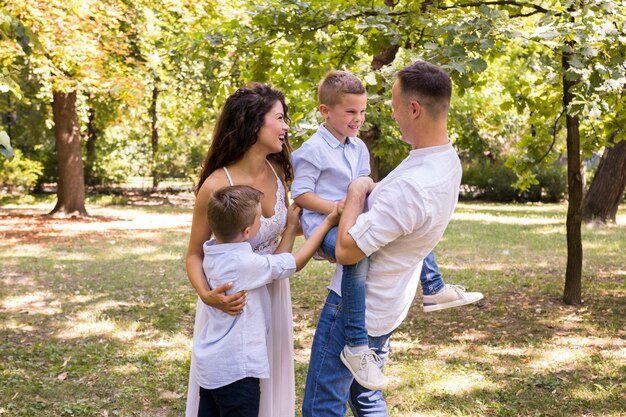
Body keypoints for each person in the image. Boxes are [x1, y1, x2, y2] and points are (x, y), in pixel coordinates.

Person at [302, 60, 474, 417]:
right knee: (366, 398)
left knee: (322, 407)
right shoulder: (445, 161)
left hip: (355, 311)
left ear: (414, 109)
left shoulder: (414, 184)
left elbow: (348, 251)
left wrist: (355, 191)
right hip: (389, 306)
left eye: (394, 107)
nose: (391, 116)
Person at [185, 83, 296, 417]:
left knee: (266, 391)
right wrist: (207, 295)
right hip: (230, 304)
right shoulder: (217, 185)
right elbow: (194, 254)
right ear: (254, 124)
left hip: (273, 296)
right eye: (279, 118)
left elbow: (281, 244)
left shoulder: (278, 172)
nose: (286, 126)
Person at [193, 185, 338, 417]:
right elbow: (294, 262)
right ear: (248, 231)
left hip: (211, 367)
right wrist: (326, 225)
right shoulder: (244, 263)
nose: (263, 221)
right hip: (237, 371)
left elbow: (274, 261)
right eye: (260, 217)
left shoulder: (212, 252)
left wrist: (290, 229)